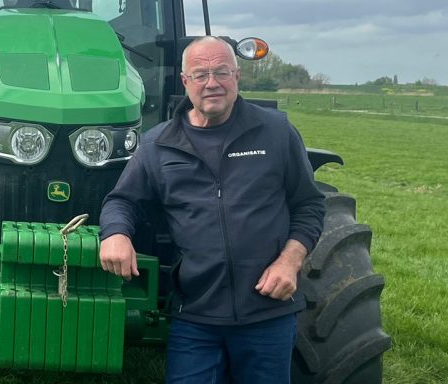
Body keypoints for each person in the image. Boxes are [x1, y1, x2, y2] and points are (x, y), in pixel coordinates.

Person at [98, 37, 326, 383]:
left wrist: (289, 262)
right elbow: (122, 200)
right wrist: (115, 233)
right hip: (196, 316)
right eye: (201, 74)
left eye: (221, 72)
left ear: (237, 76)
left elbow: (308, 204)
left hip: (267, 313)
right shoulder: (158, 143)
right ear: (185, 81)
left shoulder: (276, 132)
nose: (212, 83)